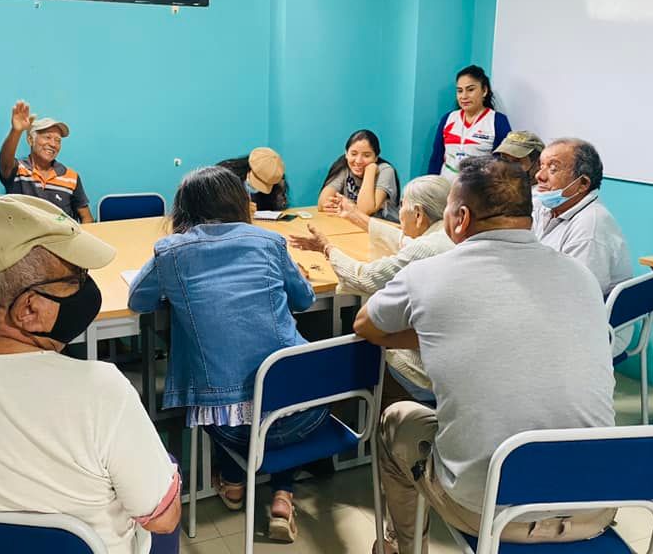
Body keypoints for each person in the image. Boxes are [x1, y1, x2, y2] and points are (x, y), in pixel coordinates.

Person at [0, 195, 181, 554]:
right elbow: (162, 520)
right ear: (29, 309)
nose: (86, 289)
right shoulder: (100, 392)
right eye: (76, 279)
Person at [354, 157, 616, 553]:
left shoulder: (428, 274)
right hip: (597, 503)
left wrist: (435, 333)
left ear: (460, 218)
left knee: (396, 421)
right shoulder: (580, 276)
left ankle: (400, 547)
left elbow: (367, 327)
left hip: (491, 509)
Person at [128, 166, 325, 542]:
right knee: (278, 389)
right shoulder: (270, 241)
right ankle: (282, 497)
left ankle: (233, 483)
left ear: (183, 209)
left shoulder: (171, 251)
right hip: (308, 413)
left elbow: (138, 300)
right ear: (239, 202)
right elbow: (305, 299)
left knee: (223, 388)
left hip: (233, 429)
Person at [291, 175, 453, 401]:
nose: (399, 212)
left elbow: (365, 277)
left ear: (418, 214)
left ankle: (364, 410)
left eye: (402, 205)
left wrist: (327, 248)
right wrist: (356, 217)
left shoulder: (427, 248)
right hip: (454, 355)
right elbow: (405, 241)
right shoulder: (447, 235)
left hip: (429, 369)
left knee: (366, 331)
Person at [533, 138, 633, 353]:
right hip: (554, 305)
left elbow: (577, 299)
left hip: (595, 329)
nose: (539, 175)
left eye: (553, 169)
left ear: (583, 183)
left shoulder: (590, 227)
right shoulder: (545, 205)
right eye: (541, 166)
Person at [0, 100, 93, 223]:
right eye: (47, 137)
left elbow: (86, 217)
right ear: (30, 140)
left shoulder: (71, 177)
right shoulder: (18, 170)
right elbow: (5, 163)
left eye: (58, 140)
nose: (53, 144)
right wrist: (16, 131)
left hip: (61, 234)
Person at [427, 65, 512, 181]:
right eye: (459, 91)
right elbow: (436, 159)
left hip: (479, 189)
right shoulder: (448, 119)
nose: (464, 96)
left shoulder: (497, 121)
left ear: (484, 90)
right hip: (445, 187)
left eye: (470, 90)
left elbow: (504, 164)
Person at [318, 129, 400, 221]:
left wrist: (370, 171)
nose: (358, 161)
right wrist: (348, 206)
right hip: (354, 226)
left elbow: (364, 211)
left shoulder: (386, 170)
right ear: (346, 154)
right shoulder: (344, 167)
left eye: (366, 155)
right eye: (353, 154)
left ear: (376, 157)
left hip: (384, 227)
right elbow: (323, 203)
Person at [217, 147, 289, 211]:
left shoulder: (275, 185)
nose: (257, 188)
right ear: (249, 168)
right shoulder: (226, 175)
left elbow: (277, 208)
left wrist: (280, 190)